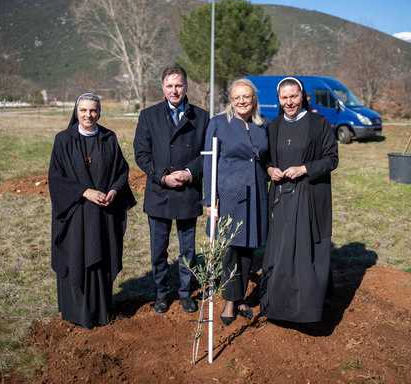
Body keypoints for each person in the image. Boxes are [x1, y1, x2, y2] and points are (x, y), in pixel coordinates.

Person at [48, 92, 136, 329]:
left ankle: (101, 310)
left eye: (93, 110)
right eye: (84, 110)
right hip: (75, 214)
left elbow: (121, 171)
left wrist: (115, 191)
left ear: (100, 112)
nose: (89, 115)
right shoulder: (63, 140)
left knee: (101, 257)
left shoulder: (109, 138)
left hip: (102, 215)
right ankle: (75, 312)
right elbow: (56, 179)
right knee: (76, 255)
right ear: (76, 112)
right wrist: (84, 192)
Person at [260, 77, 338, 323]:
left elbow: (331, 159)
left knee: (307, 251)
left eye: (294, 96)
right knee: (282, 249)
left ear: (302, 96)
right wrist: (270, 169)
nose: (289, 102)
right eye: (284, 98)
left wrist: (305, 168)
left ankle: (308, 310)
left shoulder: (319, 123)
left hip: (310, 197)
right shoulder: (272, 127)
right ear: (279, 100)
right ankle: (279, 307)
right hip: (282, 199)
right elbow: (265, 160)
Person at [133, 66, 209, 314]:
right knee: (159, 249)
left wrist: (188, 173)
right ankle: (162, 293)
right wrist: (163, 176)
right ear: (162, 88)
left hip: (188, 192)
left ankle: (186, 293)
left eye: (178, 85)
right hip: (160, 191)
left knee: (188, 249)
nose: (174, 90)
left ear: (186, 87)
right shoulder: (148, 116)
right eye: (169, 85)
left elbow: (206, 155)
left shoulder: (202, 117)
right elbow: (142, 154)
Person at [203, 78, 268, 325]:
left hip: (256, 195)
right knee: (230, 249)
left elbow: (267, 158)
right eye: (237, 97)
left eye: (247, 97)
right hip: (229, 196)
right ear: (231, 99)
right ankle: (230, 301)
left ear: (254, 100)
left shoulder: (263, 125)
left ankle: (240, 297)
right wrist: (210, 200)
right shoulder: (219, 124)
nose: (242, 101)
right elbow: (209, 164)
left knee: (248, 247)